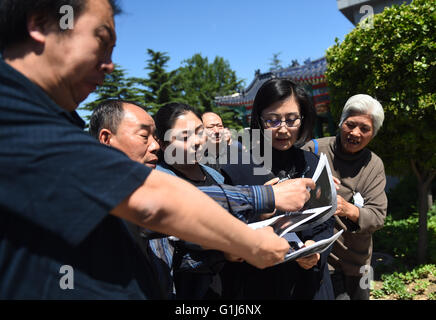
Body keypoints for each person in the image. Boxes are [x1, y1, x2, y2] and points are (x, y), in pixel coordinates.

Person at [0, 0, 303, 299]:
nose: (109, 65)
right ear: (40, 25)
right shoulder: (14, 117)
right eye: (101, 41)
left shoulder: (46, 120)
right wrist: (257, 222)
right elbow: (153, 199)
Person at [89, 99, 305, 299]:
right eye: (144, 137)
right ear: (106, 139)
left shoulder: (216, 174)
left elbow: (170, 260)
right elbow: (182, 202)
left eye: (200, 132)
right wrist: (266, 197)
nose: (154, 146)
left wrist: (225, 252)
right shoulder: (98, 188)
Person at [219, 78, 336, 300]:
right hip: (258, 283)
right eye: (272, 120)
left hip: (309, 284)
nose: (283, 129)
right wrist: (260, 208)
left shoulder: (312, 163)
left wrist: (315, 250)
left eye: (292, 120)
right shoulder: (236, 166)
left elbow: (327, 221)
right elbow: (221, 226)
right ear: (258, 119)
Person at [302, 94, 387, 300]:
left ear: (373, 133)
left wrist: (346, 208)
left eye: (365, 128)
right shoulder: (313, 151)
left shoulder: (374, 165)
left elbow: (377, 216)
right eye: (350, 124)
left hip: (359, 261)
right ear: (341, 123)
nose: (355, 133)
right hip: (319, 257)